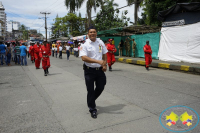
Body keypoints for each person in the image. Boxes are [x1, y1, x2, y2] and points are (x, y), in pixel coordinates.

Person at [79, 25, 108, 119]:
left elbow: (104, 53)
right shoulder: (84, 44)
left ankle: (90, 100)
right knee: (90, 90)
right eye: (91, 32)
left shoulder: (100, 42)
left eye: (94, 32)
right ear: (88, 34)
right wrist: (98, 61)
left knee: (101, 86)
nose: (92, 33)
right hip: (89, 71)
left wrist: (104, 64)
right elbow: (84, 57)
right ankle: (92, 109)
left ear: (96, 33)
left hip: (99, 70)